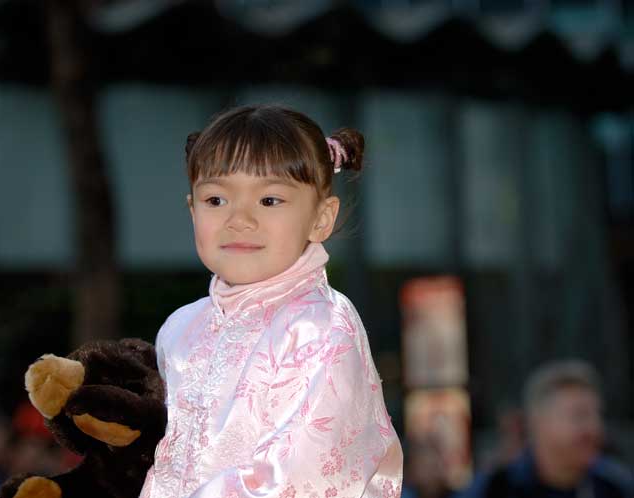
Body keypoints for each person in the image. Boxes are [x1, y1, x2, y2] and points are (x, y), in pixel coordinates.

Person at [140, 104, 403, 498]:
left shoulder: (322, 328)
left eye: (269, 201)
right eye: (216, 200)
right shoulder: (180, 329)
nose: (239, 219)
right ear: (192, 209)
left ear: (321, 218)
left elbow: (297, 480)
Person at [459, 360, 634, 498]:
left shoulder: (616, 487)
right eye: (579, 416)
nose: (594, 428)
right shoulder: (494, 490)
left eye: (598, 415)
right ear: (538, 423)